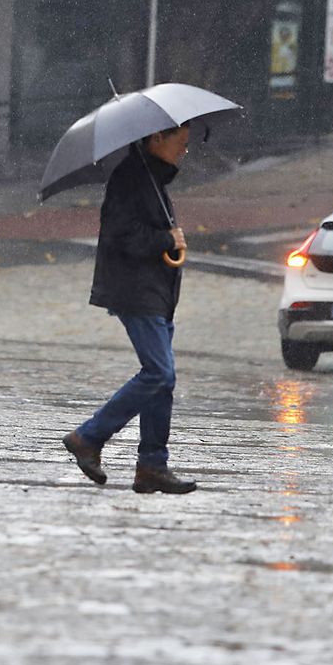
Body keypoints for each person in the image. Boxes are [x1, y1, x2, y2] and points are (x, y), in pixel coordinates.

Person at [62, 124, 197, 494]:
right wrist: (165, 239)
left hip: (156, 291)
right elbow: (122, 237)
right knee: (157, 371)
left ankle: (152, 465)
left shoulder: (151, 177)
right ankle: (89, 436)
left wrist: (168, 240)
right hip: (136, 291)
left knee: (164, 379)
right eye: (180, 144)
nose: (184, 152)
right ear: (156, 139)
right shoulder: (131, 178)